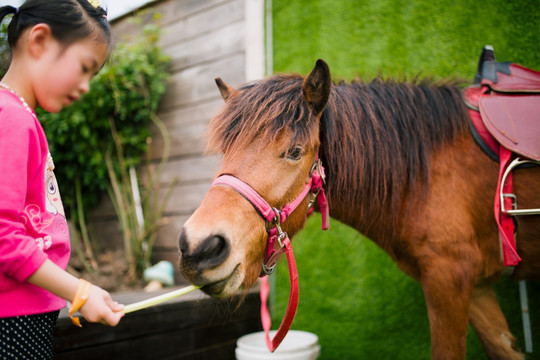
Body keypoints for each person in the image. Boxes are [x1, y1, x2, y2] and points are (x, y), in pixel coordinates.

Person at [0, 1, 124, 358]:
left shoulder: (21, 117)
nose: (85, 87)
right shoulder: (12, 118)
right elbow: (4, 237)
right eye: (84, 68)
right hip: (11, 321)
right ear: (38, 41)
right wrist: (79, 291)